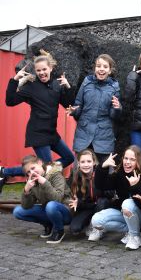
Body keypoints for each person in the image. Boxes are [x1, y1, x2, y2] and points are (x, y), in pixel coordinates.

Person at [1, 51, 75, 186]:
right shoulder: (31, 87)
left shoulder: (56, 85)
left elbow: (68, 104)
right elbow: (10, 101)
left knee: (69, 158)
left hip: (51, 133)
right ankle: (6, 171)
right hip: (37, 134)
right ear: (35, 71)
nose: (41, 73)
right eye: (38, 70)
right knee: (45, 169)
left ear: (51, 68)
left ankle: (5, 172)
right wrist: (14, 80)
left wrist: (67, 86)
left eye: (44, 69)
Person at [88, 145, 141, 251]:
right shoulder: (120, 174)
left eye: (132, 159)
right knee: (96, 220)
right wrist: (103, 167)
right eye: (126, 158)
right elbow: (101, 185)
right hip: (124, 213)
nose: (127, 162)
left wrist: (135, 186)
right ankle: (130, 231)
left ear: (139, 161)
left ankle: (135, 237)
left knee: (128, 203)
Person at [67, 54, 122, 164]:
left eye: (105, 67)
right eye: (98, 66)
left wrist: (117, 108)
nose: (101, 69)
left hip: (104, 136)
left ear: (110, 70)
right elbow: (78, 105)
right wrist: (74, 111)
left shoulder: (114, 87)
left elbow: (115, 117)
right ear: (95, 69)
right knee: (79, 172)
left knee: (105, 173)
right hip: (84, 133)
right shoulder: (86, 82)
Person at [13, 155, 72, 243]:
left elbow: (57, 199)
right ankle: (48, 224)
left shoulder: (55, 174)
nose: (32, 173)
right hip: (48, 210)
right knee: (18, 211)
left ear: (40, 163)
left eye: (33, 168)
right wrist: (26, 190)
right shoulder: (33, 180)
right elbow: (26, 206)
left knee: (51, 205)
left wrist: (44, 182)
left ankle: (59, 230)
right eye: (28, 172)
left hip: (65, 211)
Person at [68, 149, 110, 235]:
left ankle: (97, 227)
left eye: (89, 161)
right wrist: (77, 202)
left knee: (102, 201)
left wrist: (98, 189)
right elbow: (76, 200)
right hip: (86, 207)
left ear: (94, 162)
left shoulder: (101, 174)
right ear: (78, 164)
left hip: (100, 206)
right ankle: (89, 223)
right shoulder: (75, 177)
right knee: (74, 229)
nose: (86, 165)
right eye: (83, 162)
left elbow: (110, 193)